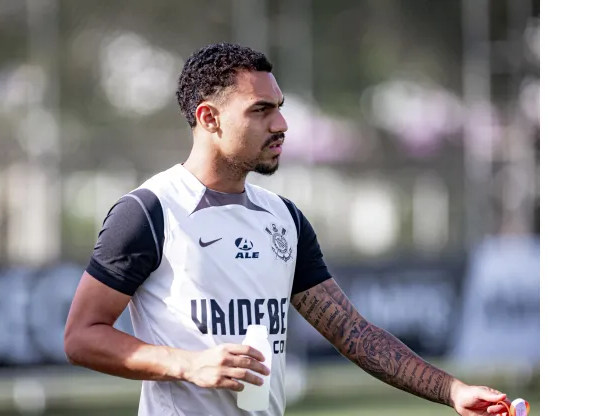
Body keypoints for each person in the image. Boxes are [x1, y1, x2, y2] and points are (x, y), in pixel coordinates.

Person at [64, 43, 512, 416]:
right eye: (261, 111)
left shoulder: (285, 219)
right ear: (209, 118)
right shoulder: (150, 210)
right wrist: (188, 365)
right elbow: (82, 335)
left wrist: (453, 391)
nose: (281, 125)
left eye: (279, 108)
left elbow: (354, 333)